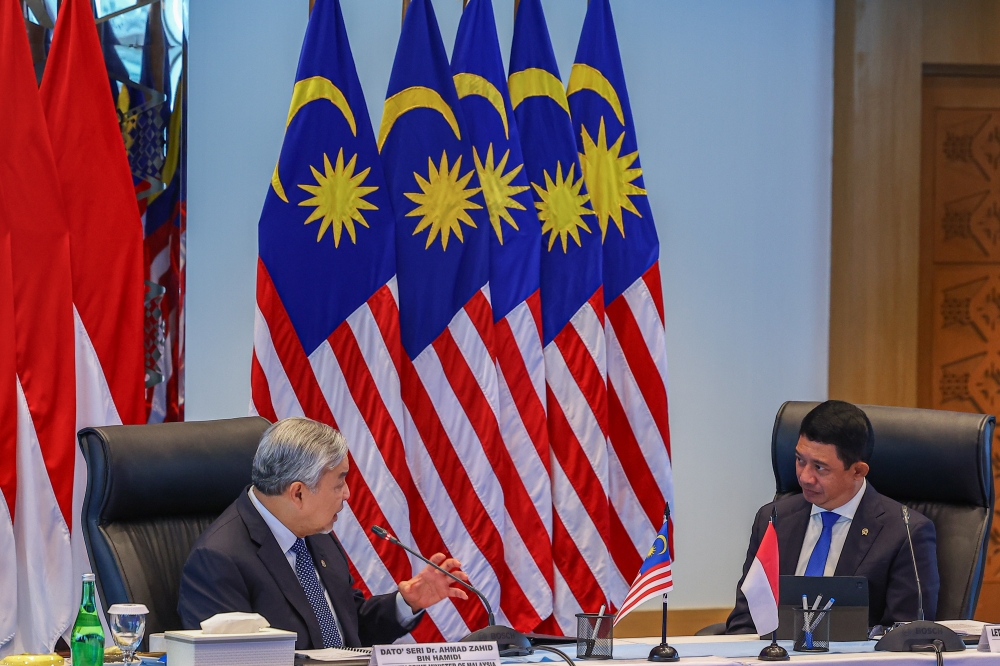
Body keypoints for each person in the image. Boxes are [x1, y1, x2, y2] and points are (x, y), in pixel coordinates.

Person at [178, 417, 469, 648]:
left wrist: (405, 604)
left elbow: (348, 628)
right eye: (339, 482)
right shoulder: (218, 561)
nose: (348, 494)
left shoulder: (314, 532)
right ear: (298, 493)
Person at [725, 400, 939, 634]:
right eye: (800, 460)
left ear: (858, 471)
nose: (805, 477)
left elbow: (904, 635)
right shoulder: (774, 518)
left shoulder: (905, 532)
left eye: (820, 467)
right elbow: (746, 619)